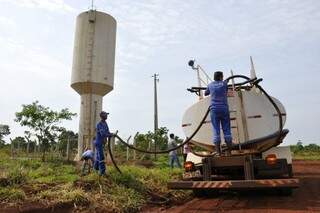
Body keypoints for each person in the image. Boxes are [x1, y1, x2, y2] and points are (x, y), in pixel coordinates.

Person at [205, 71, 232, 156]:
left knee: (216, 130)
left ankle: (218, 152)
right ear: (221, 77)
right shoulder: (224, 84)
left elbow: (206, 93)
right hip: (224, 109)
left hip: (214, 110)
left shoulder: (210, 85)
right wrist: (225, 82)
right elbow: (225, 88)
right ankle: (229, 152)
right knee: (227, 129)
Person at [93, 111, 113, 176]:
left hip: (102, 143)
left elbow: (107, 132)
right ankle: (102, 172)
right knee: (101, 157)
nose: (107, 116)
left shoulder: (105, 123)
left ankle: (95, 169)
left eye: (107, 115)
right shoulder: (99, 124)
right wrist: (109, 135)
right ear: (102, 116)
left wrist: (111, 134)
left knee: (98, 156)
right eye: (106, 115)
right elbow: (103, 134)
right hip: (98, 142)